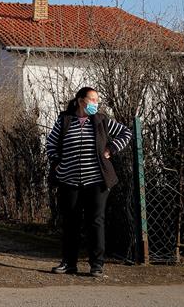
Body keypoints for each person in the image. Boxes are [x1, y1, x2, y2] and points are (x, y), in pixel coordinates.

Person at [45, 87, 132, 277]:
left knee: (96, 222)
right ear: (80, 100)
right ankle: (69, 263)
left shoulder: (101, 120)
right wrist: (57, 161)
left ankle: (97, 265)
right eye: (91, 99)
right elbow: (50, 143)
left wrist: (111, 149)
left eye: (97, 100)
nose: (95, 103)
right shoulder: (65, 120)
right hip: (69, 180)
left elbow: (126, 133)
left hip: (96, 181)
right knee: (70, 223)